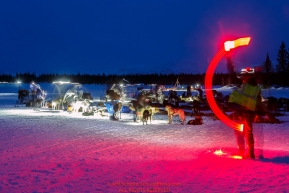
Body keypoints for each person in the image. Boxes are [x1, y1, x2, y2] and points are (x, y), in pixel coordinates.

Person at [228, 67, 262, 159]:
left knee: (239, 132)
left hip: (241, 111)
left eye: (244, 75)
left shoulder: (244, 86)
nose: (243, 77)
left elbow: (238, 97)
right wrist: (258, 113)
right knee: (248, 133)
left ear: (247, 76)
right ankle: (251, 153)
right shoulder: (256, 87)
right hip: (249, 111)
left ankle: (241, 152)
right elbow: (258, 101)